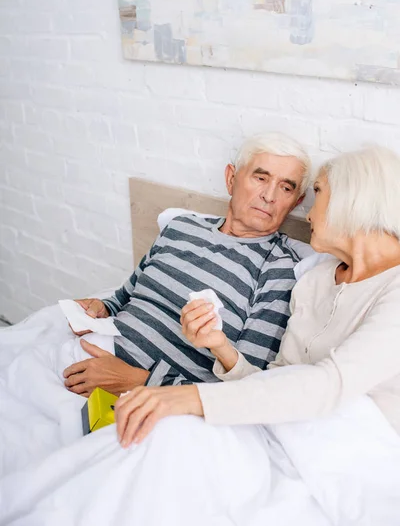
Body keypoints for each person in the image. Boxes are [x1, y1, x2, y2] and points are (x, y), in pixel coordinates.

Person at [113, 145, 400, 445]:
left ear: (351, 197)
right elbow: (275, 380)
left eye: (317, 192)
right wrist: (220, 346)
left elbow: (329, 384)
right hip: (282, 433)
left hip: (354, 452)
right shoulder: (315, 280)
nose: (309, 213)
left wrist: (185, 396)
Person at [62, 132, 312, 396]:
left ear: (295, 203)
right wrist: (99, 308)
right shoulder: (180, 227)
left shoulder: (279, 272)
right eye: (261, 178)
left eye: (286, 188)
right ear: (231, 178)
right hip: (83, 361)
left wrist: (138, 381)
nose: (270, 196)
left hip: (153, 399)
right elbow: (123, 298)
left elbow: (246, 388)